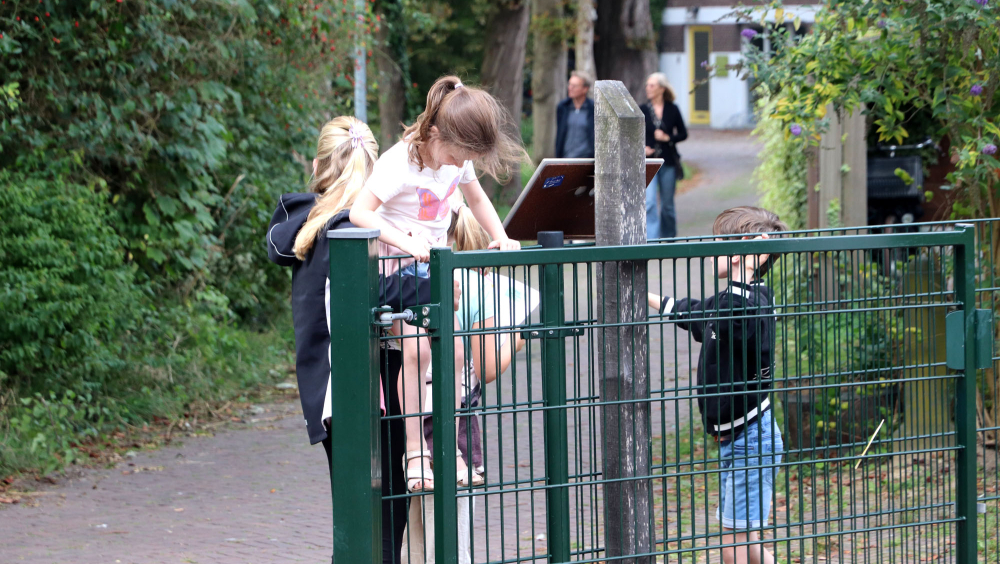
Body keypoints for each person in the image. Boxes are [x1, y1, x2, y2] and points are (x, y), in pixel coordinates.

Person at [265, 116, 460, 564]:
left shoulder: (311, 226)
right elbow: (394, 295)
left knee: (358, 528)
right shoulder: (366, 231)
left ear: (317, 163)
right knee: (379, 534)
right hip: (379, 389)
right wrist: (448, 277)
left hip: (331, 392)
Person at [349, 75, 528, 494]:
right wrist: (405, 240)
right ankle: (416, 450)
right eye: (453, 155)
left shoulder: (458, 158)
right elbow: (360, 212)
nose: (456, 164)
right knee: (417, 349)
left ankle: (448, 444)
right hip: (394, 269)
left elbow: (478, 199)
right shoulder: (400, 162)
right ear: (433, 134)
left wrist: (498, 235)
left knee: (457, 349)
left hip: (433, 270)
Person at [648, 206, 787, 564]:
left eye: (721, 243)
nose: (713, 250)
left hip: (751, 439)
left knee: (733, 547)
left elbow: (738, 321)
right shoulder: (727, 303)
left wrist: (749, 260)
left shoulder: (751, 303)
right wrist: (642, 296)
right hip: (738, 438)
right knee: (748, 541)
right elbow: (693, 312)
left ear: (747, 249)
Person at [641, 72, 688, 239]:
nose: (648, 88)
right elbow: (633, 134)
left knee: (667, 205)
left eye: (651, 85)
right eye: (647, 85)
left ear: (661, 88)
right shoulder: (642, 110)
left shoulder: (672, 109)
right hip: (648, 162)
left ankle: (669, 239)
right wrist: (642, 148)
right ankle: (652, 240)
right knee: (650, 203)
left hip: (667, 162)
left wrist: (668, 138)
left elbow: (683, 133)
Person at [555, 71, 596, 159]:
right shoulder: (563, 107)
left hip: (587, 161)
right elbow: (560, 135)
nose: (570, 88)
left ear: (585, 89)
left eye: (574, 86)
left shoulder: (593, 108)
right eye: (569, 84)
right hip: (565, 159)